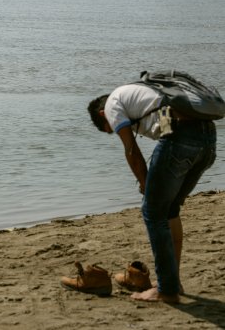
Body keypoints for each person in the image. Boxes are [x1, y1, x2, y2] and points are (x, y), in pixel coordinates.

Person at [88, 82, 217, 303]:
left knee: (153, 213)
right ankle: (172, 281)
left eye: (109, 128)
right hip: (208, 142)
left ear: (102, 113)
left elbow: (131, 149)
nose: (115, 131)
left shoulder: (112, 105)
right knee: (169, 211)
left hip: (181, 140)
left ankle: (166, 290)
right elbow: (166, 127)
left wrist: (145, 183)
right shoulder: (141, 92)